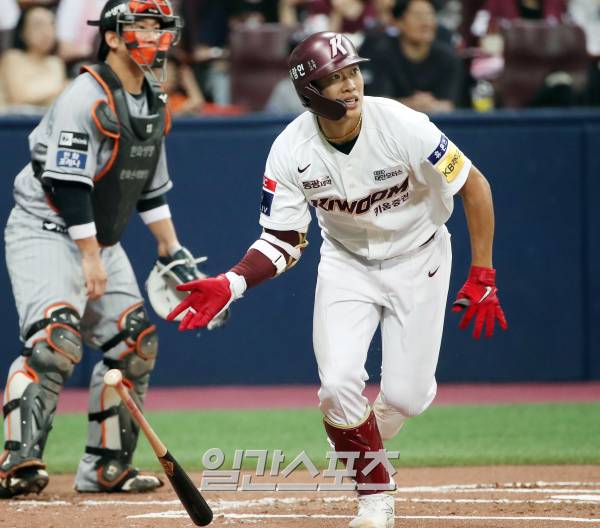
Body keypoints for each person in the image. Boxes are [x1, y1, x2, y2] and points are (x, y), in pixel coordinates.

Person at [167, 31, 508, 528]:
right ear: (310, 94)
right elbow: (283, 240)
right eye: (334, 79)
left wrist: (484, 273)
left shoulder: (403, 124)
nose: (350, 86)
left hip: (421, 255)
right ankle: (375, 497)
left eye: (352, 73)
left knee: (408, 397)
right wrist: (231, 283)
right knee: (337, 385)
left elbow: (475, 186)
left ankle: (357, 433)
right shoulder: (290, 150)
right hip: (347, 263)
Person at [0, 0, 199, 498]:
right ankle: (16, 462)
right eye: (141, 26)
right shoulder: (85, 96)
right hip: (45, 228)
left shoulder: (152, 99)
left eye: (159, 26)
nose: (153, 35)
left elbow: (150, 191)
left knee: (135, 345)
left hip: (96, 239)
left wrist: (171, 250)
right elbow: (68, 184)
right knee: (55, 343)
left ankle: (106, 467)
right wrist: (90, 256)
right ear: (112, 36)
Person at [360, 0, 463, 113]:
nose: (426, 23)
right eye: (418, 16)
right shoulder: (381, 54)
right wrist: (411, 104)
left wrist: (431, 105)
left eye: (430, 15)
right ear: (398, 22)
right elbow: (377, 102)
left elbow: (450, 104)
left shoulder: (448, 57)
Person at [0, 5, 67, 108]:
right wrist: (61, 88)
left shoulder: (55, 63)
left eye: (51, 25)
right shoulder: (13, 58)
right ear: (22, 32)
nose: (46, 31)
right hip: (12, 122)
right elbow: (21, 96)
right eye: (38, 25)